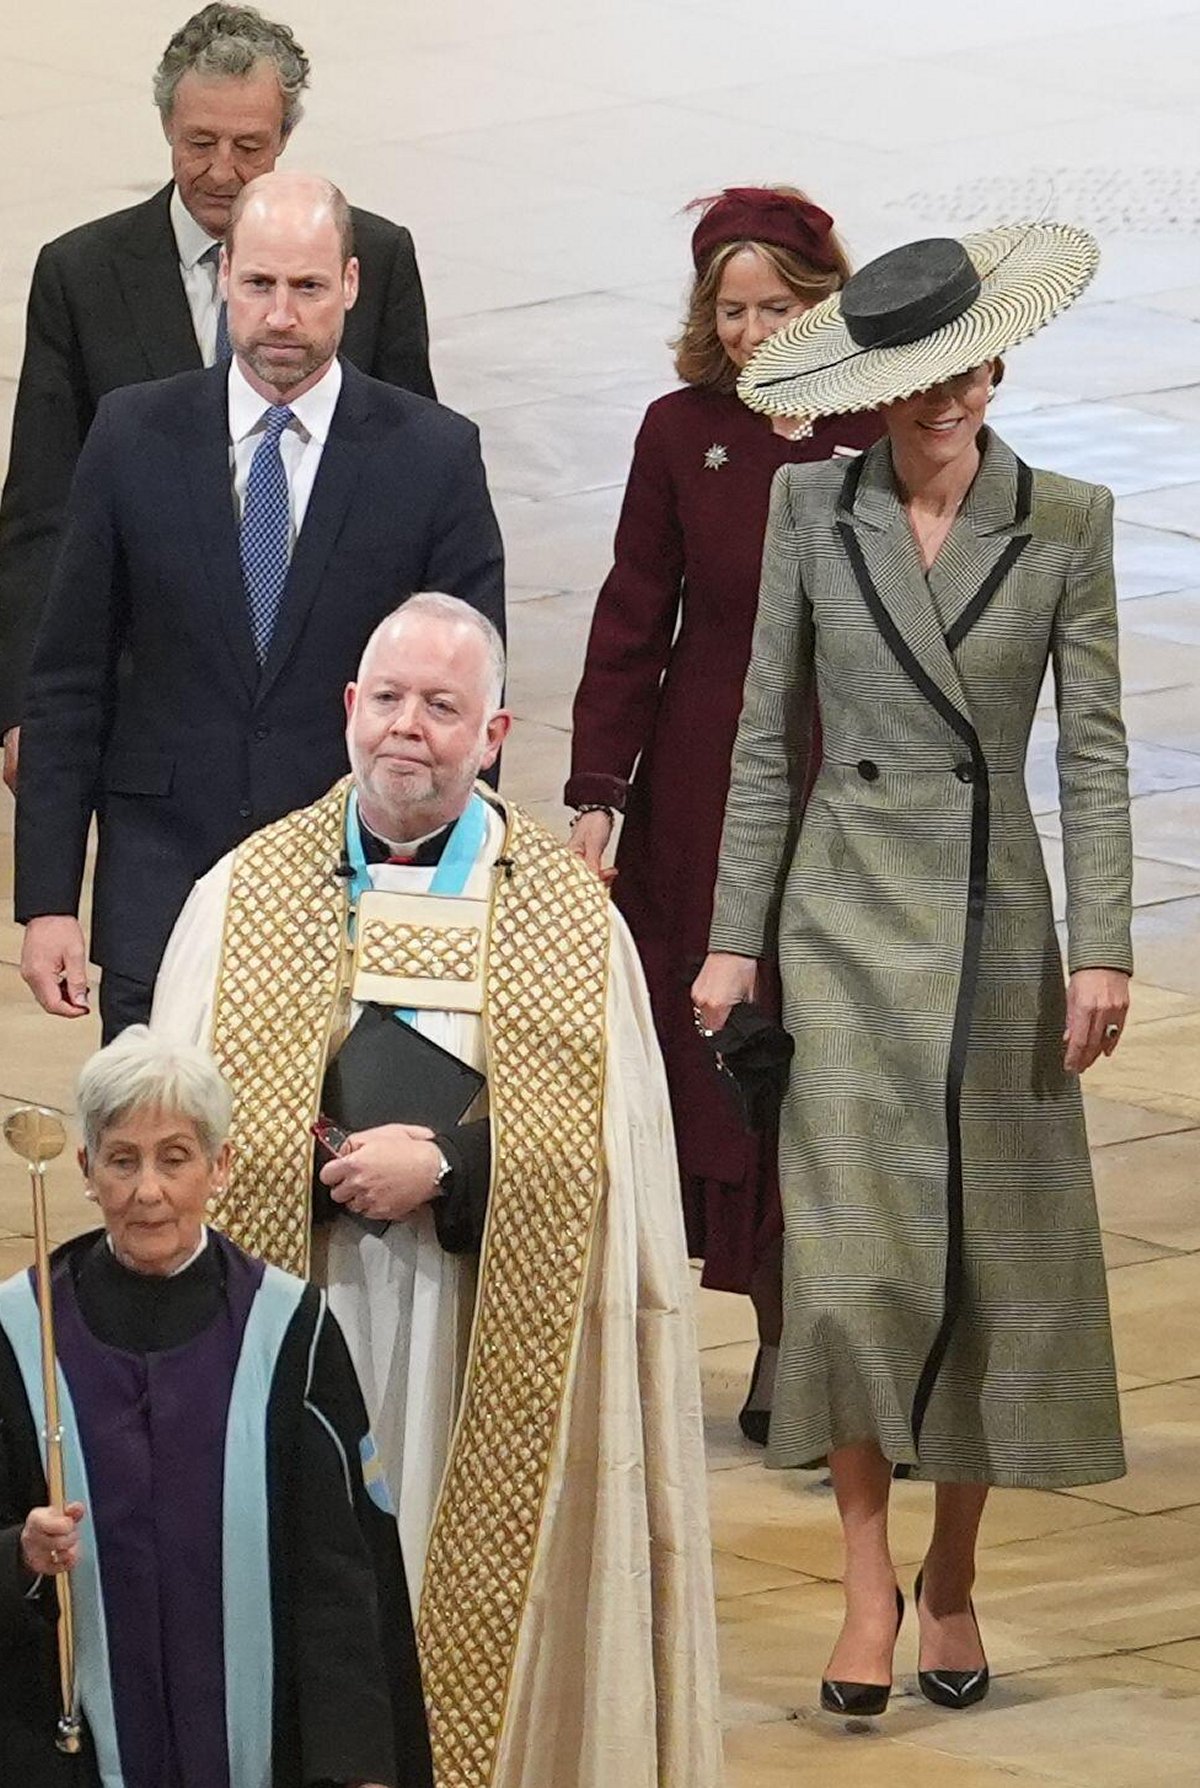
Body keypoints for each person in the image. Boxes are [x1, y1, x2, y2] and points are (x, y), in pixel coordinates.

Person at [152, 593, 724, 1788]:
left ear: (495, 734)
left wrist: (453, 1169)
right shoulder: (244, 895)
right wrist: (310, 1153)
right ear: (348, 708)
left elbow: (613, 1165)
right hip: (316, 1318)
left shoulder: (569, 923)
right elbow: (175, 1134)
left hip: (479, 1332)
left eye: (443, 707)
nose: (408, 727)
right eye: (390, 699)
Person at [693, 223, 1132, 1716]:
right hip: (841, 928)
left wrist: (1105, 945)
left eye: (970, 369)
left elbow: (1093, 751)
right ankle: (867, 1583)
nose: (949, 397)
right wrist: (736, 939)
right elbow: (767, 734)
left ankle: (951, 1576)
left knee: (988, 1260)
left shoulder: (1065, 519)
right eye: (922, 377)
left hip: (995, 936)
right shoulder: (809, 510)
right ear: (873, 385)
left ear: (998, 365)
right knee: (847, 1271)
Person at [14, 170, 503, 1043]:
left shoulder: (433, 457)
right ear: (225, 278)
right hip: (159, 892)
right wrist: (49, 901)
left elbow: (468, 700)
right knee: (156, 1134)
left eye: (308, 287)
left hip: (356, 898)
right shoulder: (130, 435)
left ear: (350, 284)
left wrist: (455, 895)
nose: (281, 316)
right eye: (259, 284)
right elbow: (68, 679)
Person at [567, 187, 881, 1443]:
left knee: (844, 1049)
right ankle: (773, 1333)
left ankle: (837, 1333)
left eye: (779, 307)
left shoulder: (885, 419)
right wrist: (599, 791)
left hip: (850, 773)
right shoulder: (680, 430)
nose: (753, 333)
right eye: (733, 310)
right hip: (707, 786)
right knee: (735, 1056)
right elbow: (632, 617)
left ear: (827, 301)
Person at [0, 2, 436, 792]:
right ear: (166, 125)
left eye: (250, 147)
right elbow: (42, 512)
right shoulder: (82, 276)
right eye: (199, 143)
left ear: (285, 138)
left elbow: (415, 482)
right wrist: (28, 706)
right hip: (149, 710)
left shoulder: (373, 258)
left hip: (318, 705)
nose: (223, 172)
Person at [0, 1026, 434, 1788]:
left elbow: (338, 1579)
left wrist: (357, 1766)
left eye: (175, 1158)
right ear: (86, 1170)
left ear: (220, 1166)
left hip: (261, 1750)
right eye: (122, 1160)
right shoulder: (20, 1333)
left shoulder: (288, 1331)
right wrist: (20, 1556)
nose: (148, 1192)